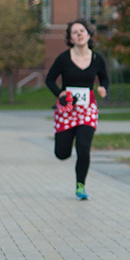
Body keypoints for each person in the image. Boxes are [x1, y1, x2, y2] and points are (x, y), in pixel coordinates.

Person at [45, 19, 109, 201]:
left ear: (89, 35)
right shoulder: (64, 58)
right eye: (75, 32)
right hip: (67, 111)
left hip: (87, 109)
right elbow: (49, 79)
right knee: (62, 153)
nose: (79, 34)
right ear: (70, 38)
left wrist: (104, 88)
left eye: (82, 31)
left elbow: (104, 79)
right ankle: (66, 140)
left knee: (83, 147)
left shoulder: (97, 59)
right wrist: (60, 93)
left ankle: (80, 186)